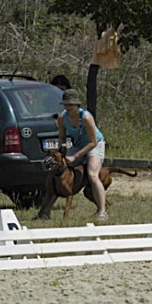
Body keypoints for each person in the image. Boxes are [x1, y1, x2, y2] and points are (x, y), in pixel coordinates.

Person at [58, 89, 108, 220]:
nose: (68, 107)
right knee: (60, 168)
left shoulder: (86, 117)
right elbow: (62, 137)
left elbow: (93, 142)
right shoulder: (62, 117)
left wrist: (75, 156)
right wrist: (62, 149)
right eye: (66, 104)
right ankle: (45, 210)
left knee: (92, 174)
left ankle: (102, 211)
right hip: (77, 145)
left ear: (77, 105)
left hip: (94, 145)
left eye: (70, 104)